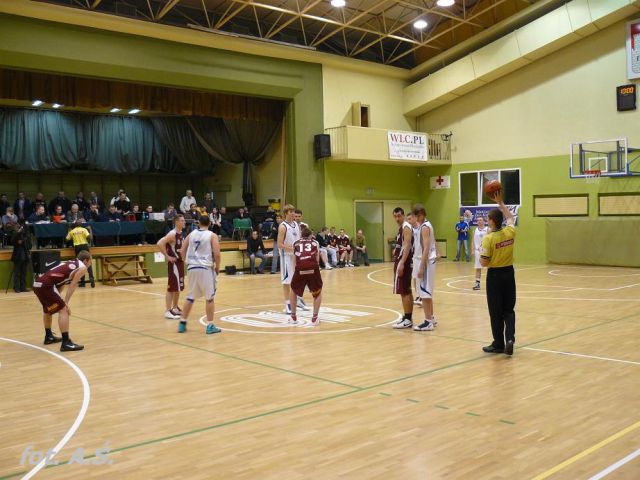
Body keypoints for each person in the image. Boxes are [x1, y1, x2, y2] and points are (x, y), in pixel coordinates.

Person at [480, 191, 517, 356]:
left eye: (488, 219)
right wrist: (501, 203)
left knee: (495, 312)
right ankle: (510, 339)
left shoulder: (488, 239)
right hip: (509, 274)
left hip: (495, 277)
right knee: (509, 310)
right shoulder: (510, 232)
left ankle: (498, 344)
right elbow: (510, 218)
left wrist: (481, 251)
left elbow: (484, 262)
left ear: (491, 221)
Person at [32, 250, 91, 351]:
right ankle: (66, 342)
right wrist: (65, 303)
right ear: (86, 260)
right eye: (90, 262)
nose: (90, 264)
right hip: (46, 285)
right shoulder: (82, 267)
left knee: (48, 310)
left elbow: (60, 283)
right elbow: (73, 285)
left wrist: (60, 300)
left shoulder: (69, 263)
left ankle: (49, 336)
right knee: (63, 310)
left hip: (37, 283)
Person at [177, 215, 222, 334]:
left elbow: (182, 250)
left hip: (192, 267)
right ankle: (210, 325)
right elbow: (217, 254)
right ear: (209, 224)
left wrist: (186, 261)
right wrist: (217, 267)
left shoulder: (191, 234)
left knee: (191, 296)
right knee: (210, 298)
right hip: (205, 268)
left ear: (199, 223)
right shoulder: (212, 235)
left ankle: (182, 323)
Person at [411, 204, 438, 332]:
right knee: (427, 292)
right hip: (425, 261)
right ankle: (431, 318)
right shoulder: (424, 225)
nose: (415, 218)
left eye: (416, 216)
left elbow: (426, 248)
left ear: (421, 215)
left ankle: (428, 322)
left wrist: (421, 266)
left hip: (426, 261)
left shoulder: (425, 227)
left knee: (425, 292)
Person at [289, 224, 323, 326]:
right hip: (313, 268)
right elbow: (317, 259)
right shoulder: (315, 243)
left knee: (293, 290)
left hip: (300, 268)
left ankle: (293, 317)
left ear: (301, 235)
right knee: (317, 292)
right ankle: (314, 318)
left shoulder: (296, 243)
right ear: (311, 235)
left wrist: (297, 271)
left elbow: (294, 260)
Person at [157, 215, 186, 320]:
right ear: (176, 222)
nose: (184, 222)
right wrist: (167, 256)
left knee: (178, 287)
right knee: (171, 287)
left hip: (180, 263)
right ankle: (167, 311)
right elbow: (160, 243)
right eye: (182, 220)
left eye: (184, 220)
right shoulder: (172, 234)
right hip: (174, 264)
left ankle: (175, 307)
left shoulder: (180, 233)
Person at [391, 207, 415, 329]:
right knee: (406, 290)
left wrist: (401, 262)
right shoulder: (402, 227)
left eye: (399, 216)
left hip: (404, 262)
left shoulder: (406, 227)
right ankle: (407, 317)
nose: (397, 218)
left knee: (404, 291)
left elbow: (407, 244)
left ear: (403, 215)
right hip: (403, 261)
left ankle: (408, 319)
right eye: (395, 216)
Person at [277, 204, 301, 314]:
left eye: (293, 211)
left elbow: (299, 239)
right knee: (286, 281)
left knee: (296, 279)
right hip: (286, 256)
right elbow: (279, 244)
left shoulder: (296, 224)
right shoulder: (283, 226)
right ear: (286, 213)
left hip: (295, 256)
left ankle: (296, 300)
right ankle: (287, 304)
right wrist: (292, 248)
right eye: (290, 212)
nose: (293, 213)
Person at [66, 220, 95, 288]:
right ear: (81, 224)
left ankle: (82, 282)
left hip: (77, 248)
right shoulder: (84, 229)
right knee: (88, 263)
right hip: (85, 247)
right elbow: (90, 238)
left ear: (75, 225)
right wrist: (90, 230)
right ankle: (91, 279)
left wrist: (69, 230)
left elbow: (67, 239)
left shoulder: (72, 231)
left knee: (80, 265)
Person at [11, 225, 31, 293]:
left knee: (24, 272)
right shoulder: (15, 234)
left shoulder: (27, 235)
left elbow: (30, 246)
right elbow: (12, 242)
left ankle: (23, 287)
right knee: (17, 272)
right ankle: (17, 287)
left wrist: (25, 241)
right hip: (18, 256)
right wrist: (18, 234)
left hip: (25, 255)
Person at [472, 217, 489, 291]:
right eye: (478, 220)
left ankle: (490, 284)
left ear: (484, 221)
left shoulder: (488, 230)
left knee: (489, 268)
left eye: (480, 220)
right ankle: (477, 284)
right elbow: (473, 241)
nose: (479, 221)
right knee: (478, 268)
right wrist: (472, 250)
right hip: (477, 251)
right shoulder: (475, 230)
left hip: (485, 251)